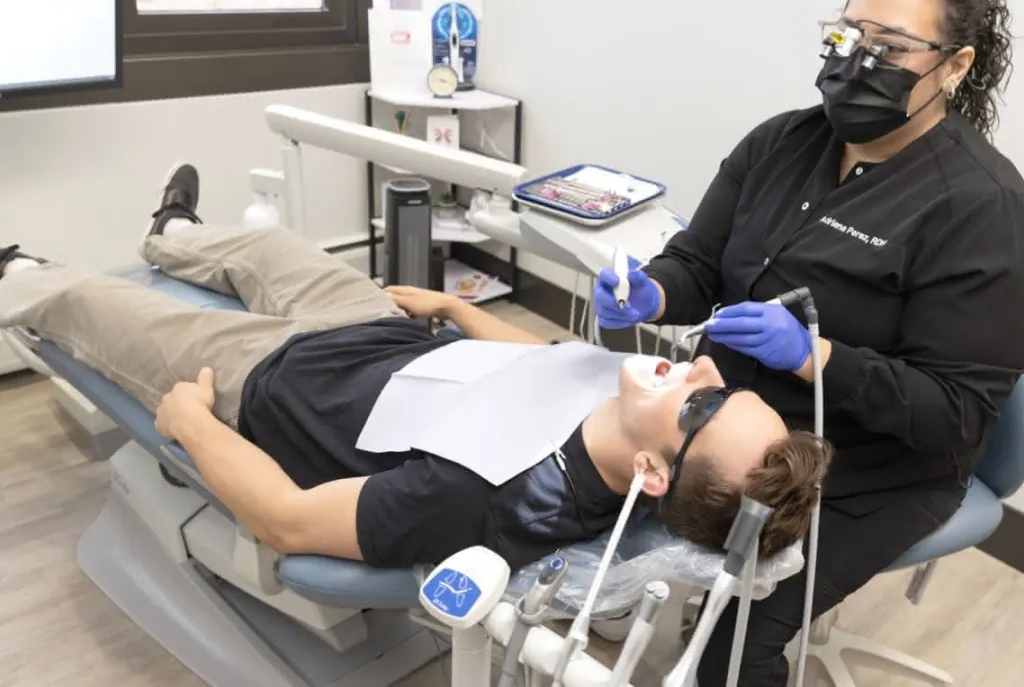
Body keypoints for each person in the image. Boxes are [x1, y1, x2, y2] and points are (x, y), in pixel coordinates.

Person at [0, 164, 831, 576]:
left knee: (90, 300)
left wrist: (185, 425)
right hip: (374, 335)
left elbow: (286, 521)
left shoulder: (482, 500)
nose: (694, 377)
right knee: (269, 244)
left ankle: (16, 270)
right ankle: (172, 235)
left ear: (652, 474)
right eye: (718, 386)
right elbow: (549, 368)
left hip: (276, 384)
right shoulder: (625, 405)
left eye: (697, 412)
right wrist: (461, 313)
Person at [594, 0, 1024, 686]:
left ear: (955, 65)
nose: (858, 62)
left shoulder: (983, 207)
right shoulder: (783, 142)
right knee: (577, 489)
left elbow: (953, 413)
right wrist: (655, 292)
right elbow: (700, 262)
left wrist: (813, 358)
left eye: (890, 49)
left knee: (728, 655)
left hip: (871, 467)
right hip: (733, 423)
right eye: (848, 37)